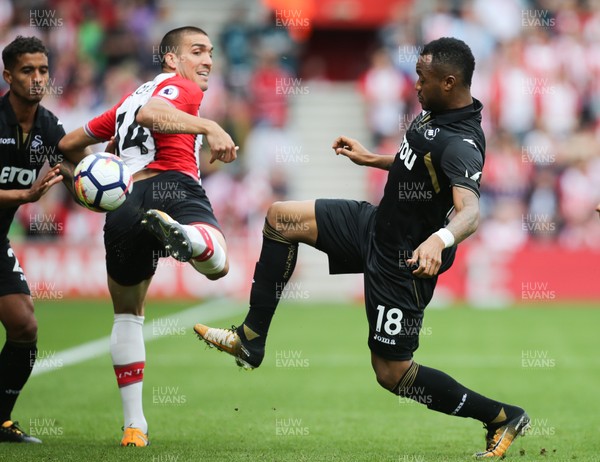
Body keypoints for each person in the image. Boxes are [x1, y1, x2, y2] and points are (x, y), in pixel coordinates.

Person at [195, 37, 530, 458]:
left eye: (422, 79)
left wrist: (438, 239)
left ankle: (501, 415)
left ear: (448, 82)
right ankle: (251, 339)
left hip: (404, 262)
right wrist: (374, 159)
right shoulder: (437, 111)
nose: (415, 85)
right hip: (374, 226)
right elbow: (421, 163)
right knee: (281, 219)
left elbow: (470, 211)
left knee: (391, 374)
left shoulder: (463, 143)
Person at [58, 26, 237, 447]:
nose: (208, 60)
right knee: (219, 263)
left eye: (210, 52)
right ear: (171, 59)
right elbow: (152, 115)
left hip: (122, 202)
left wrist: (81, 182)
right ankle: (188, 241)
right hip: (171, 184)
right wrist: (208, 125)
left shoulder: (124, 101)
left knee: (127, 314)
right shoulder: (180, 87)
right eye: (197, 51)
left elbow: (68, 143)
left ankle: (134, 427)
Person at [0, 36, 66, 443]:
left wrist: (104, 178)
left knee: (24, 325)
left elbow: (72, 165)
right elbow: (28, 191)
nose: (37, 78)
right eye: (27, 70)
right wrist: (25, 196)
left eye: (43, 70)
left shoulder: (48, 125)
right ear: (8, 76)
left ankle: (1, 419)